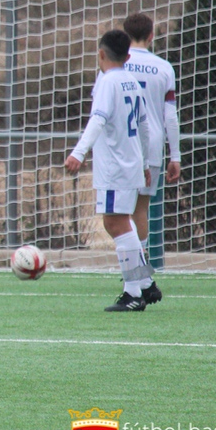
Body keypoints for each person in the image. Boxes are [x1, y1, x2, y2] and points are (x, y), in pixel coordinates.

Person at [65, 29, 153, 312]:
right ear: (128, 56)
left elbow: (98, 120)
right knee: (120, 223)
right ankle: (145, 283)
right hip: (130, 163)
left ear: (101, 54)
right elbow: (145, 127)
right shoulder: (132, 81)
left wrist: (79, 152)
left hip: (115, 167)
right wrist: (145, 163)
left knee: (115, 224)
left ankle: (134, 293)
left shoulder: (108, 81)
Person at [121, 12, 182, 306]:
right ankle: (139, 272)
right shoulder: (163, 68)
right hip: (153, 145)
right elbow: (170, 115)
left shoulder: (115, 63)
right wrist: (175, 155)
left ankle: (136, 275)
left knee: (119, 213)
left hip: (123, 146)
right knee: (140, 210)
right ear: (152, 35)